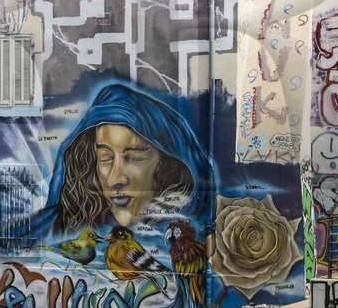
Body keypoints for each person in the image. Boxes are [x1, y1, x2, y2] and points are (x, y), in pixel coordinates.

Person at [36, 84, 215, 239]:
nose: (115, 179)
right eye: (104, 158)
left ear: (167, 167)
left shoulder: (192, 234)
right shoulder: (46, 235)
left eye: (135, 158)